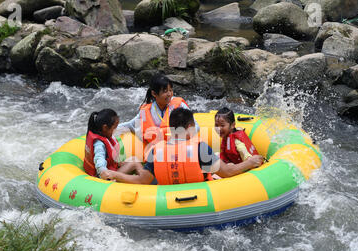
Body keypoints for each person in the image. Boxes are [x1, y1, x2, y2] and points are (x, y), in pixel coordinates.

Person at [104, 108, 264, 185]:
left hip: (164, 206)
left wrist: (116, 175)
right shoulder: (200, 148)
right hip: (200, 201)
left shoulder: (156, 151)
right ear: (189, 127)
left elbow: (142, 180)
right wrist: (250, 162)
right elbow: (228, 172)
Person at [118, 72, 199, 150]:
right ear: (154, 93)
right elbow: (131, 125)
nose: (169, 94)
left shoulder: (180, 105)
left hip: (180, 146)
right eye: (165, 91)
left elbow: (195, 125)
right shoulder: (145, 110)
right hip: (158, 149)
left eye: (170, 90)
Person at [84, 109, 143, 179]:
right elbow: (99, 160)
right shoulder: (99, 144)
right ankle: (145, 180)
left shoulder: (101, 134)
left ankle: (142, 178)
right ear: (105, 127)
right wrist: (104, 172)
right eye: (114, 128)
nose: (115, 131)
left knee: (133, 159)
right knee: (134, 163)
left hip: (109, 170)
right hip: (103, 178)